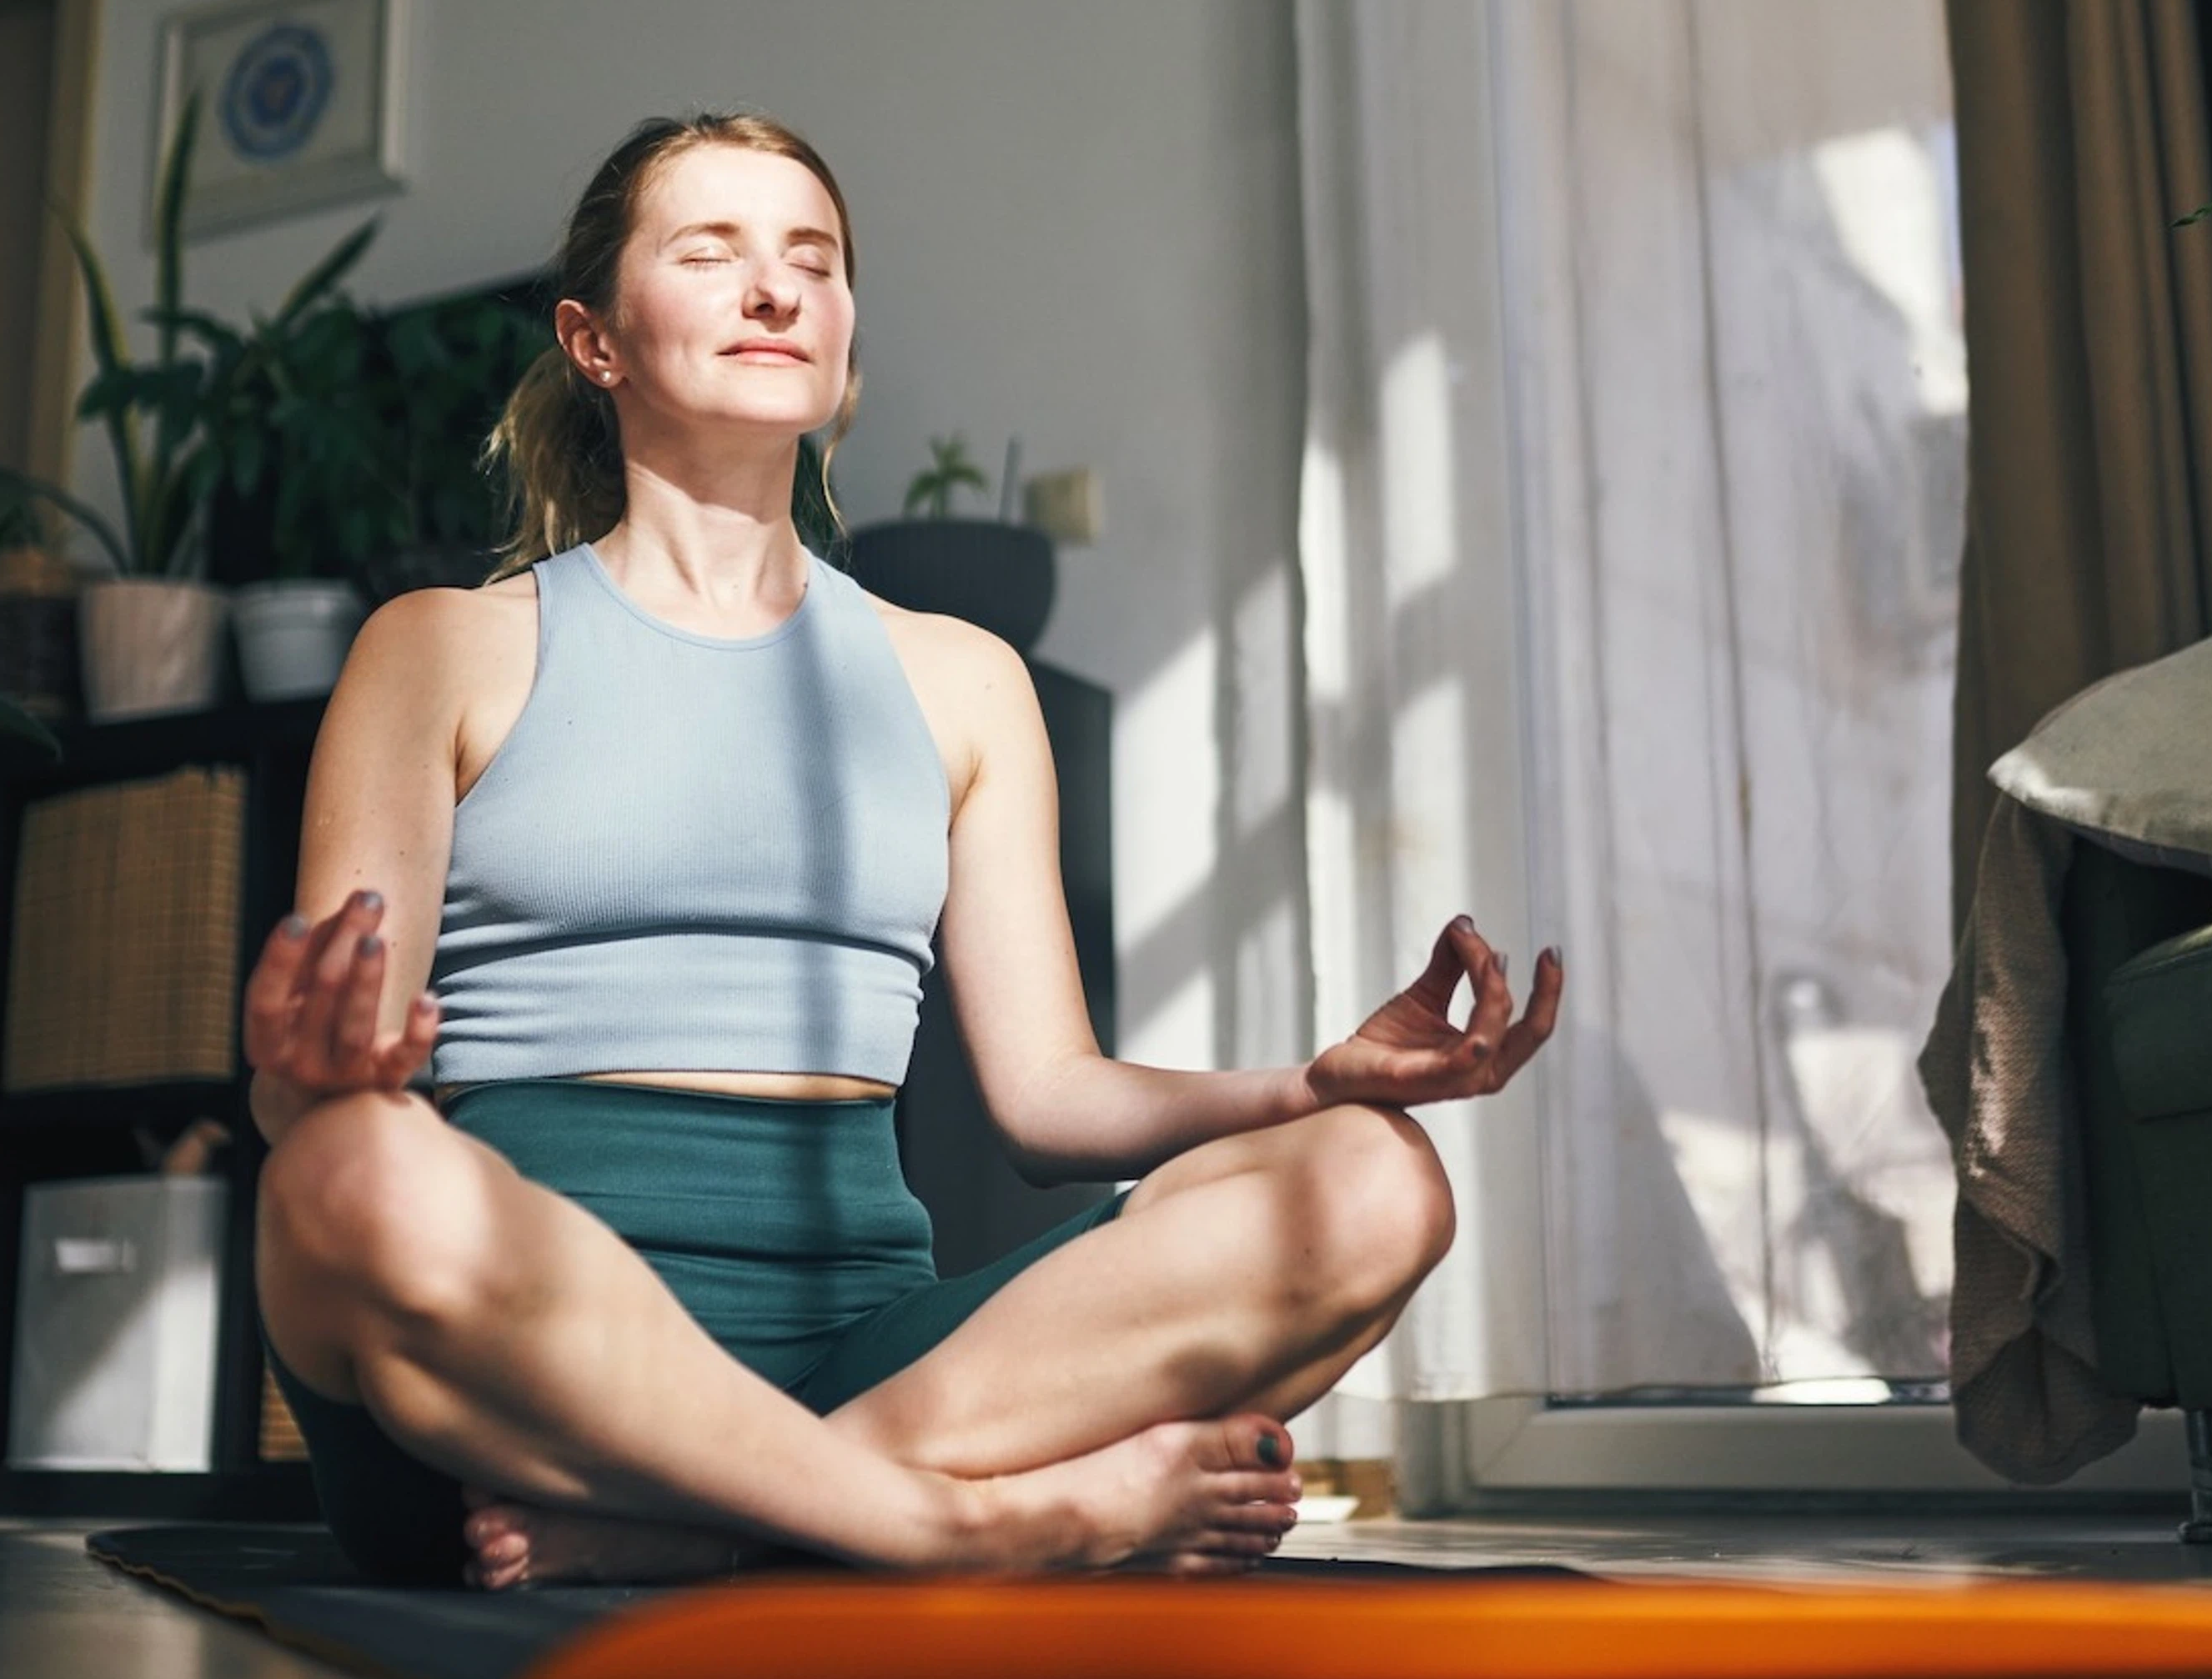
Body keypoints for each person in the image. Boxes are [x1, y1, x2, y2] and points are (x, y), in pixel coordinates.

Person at [248, 112, 1565, 1588]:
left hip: (876, 1362)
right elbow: (326, 1074)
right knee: (343, 1171)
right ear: (594, 340)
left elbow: (1050, 1100)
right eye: (713, 253)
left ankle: (719, 1531)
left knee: (1380, 1182)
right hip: (527, 1382)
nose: (776, 289)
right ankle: (974, 1520)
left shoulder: (962, 679)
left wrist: (1307, 1086)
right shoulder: (440, 650)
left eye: (812, 258)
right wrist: (301, 1083)